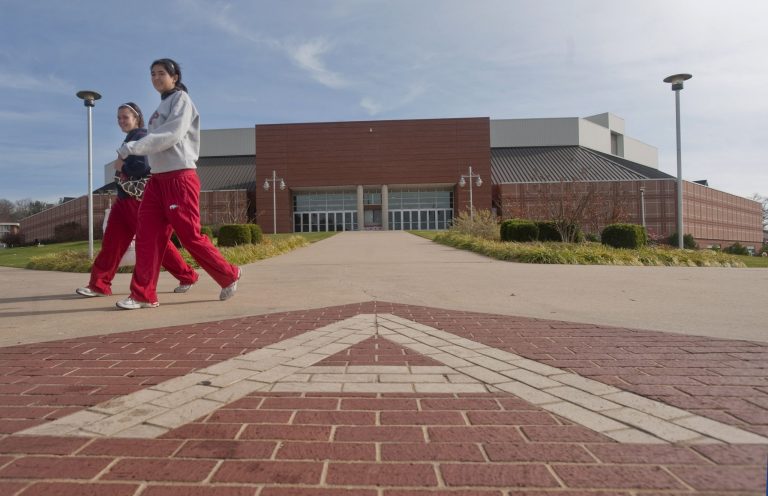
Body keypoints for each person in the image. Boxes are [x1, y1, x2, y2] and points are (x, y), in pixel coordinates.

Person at [114, 58, 240, 310]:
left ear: (175, 77)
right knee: (147, 237)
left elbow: (171, 135)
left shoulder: (181, 100)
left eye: (161, 73)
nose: (156, 78)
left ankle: (229, 274)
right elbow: (156, 140)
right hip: (157, 181)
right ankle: (142, 295)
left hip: (179, 178)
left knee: (189, 235)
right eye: (152, 74)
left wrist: (131, 148)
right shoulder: (160, 107)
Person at [76, 102, 198, 299]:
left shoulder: (141, 136)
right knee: (112, 243)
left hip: (137, 202)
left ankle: (187, 275)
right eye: (119, 118)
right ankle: (99, 284)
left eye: (125, 117)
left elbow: (143, 166)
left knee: (158, 244)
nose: (121, 121)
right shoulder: (131, 138)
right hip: (123, 201)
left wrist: (121, 166)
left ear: (136, 118)